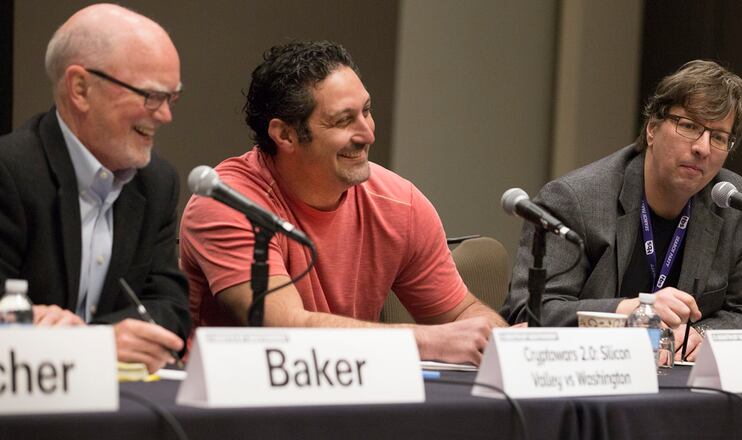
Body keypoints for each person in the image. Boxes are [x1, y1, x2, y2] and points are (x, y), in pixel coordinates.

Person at [180, 41, 507, 365]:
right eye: (343, 120)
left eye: (366, 111)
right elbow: (285, 328)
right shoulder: (228, 203)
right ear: (285, 135)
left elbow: (462, 315)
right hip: (230, 402)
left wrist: (497, 341)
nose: (367, 134)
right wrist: (427, 341)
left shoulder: (398, 202)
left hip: (347, 396)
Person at [501, 60, 742, 361]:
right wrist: (631, 311)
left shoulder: (734, 203)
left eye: (718, 137)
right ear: (652, 129)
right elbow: (530, 311)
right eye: (689, 126)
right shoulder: (576, 199)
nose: (703, 148)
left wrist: (700, 334)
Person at [0, 4, 190, 373]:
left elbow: (170, 307)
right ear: (81, 89)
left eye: (172, 97)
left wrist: (92, 341)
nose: (165, 115)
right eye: (151, 95)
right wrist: (94, 344)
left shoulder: (156, 183)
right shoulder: (10, 171)